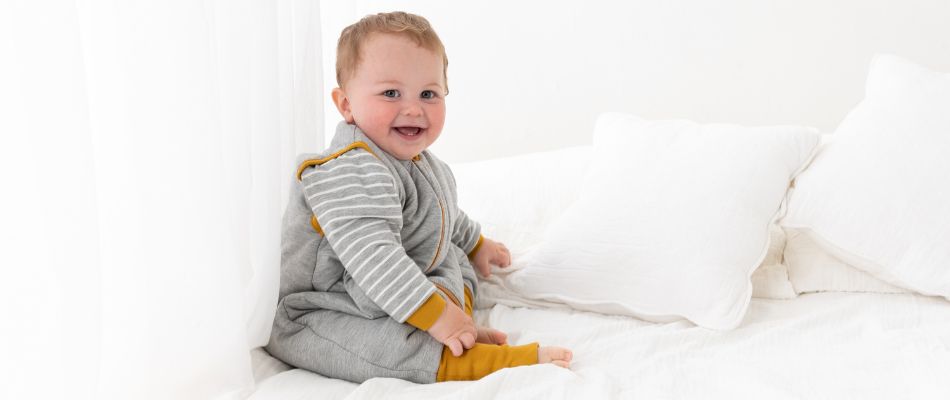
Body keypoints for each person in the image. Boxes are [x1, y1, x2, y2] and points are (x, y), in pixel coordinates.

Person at [265, 11, 572, 384]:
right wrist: (437, 315)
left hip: (395, 281)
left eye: (429, 93)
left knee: (456, 262)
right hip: (328, 306)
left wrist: (475, 243)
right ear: (346, 104)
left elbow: (441, 212)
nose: (413, 108)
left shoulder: (421, 162)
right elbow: (373, 257)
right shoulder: (349, 169)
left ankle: (458, 333)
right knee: (383, 348)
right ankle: (472, 357)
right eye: (391, 93)